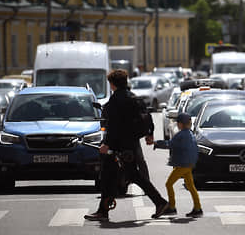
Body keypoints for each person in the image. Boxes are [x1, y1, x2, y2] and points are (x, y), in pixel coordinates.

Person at [84, 69, 169, 221]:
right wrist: (150, 133)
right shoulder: (133, 97)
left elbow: (114, 126)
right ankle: (103, 211)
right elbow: (147, 115)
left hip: (118, 146)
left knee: (114, 176)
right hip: (131, 144)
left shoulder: (116, 101)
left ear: (112, 84)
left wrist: (107, 144)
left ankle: (160, 202)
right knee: (118, 176)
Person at [153, 112, 203, 218]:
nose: (177, 125)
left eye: (178, 123)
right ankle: (198, 208)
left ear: (181, 124)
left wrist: (156, 143)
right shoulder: (190, 134)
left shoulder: (181, 135)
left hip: (183, 165)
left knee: (169, 184)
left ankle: (171, 207)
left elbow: (170, 144)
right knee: (191, 186)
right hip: (189, 164)